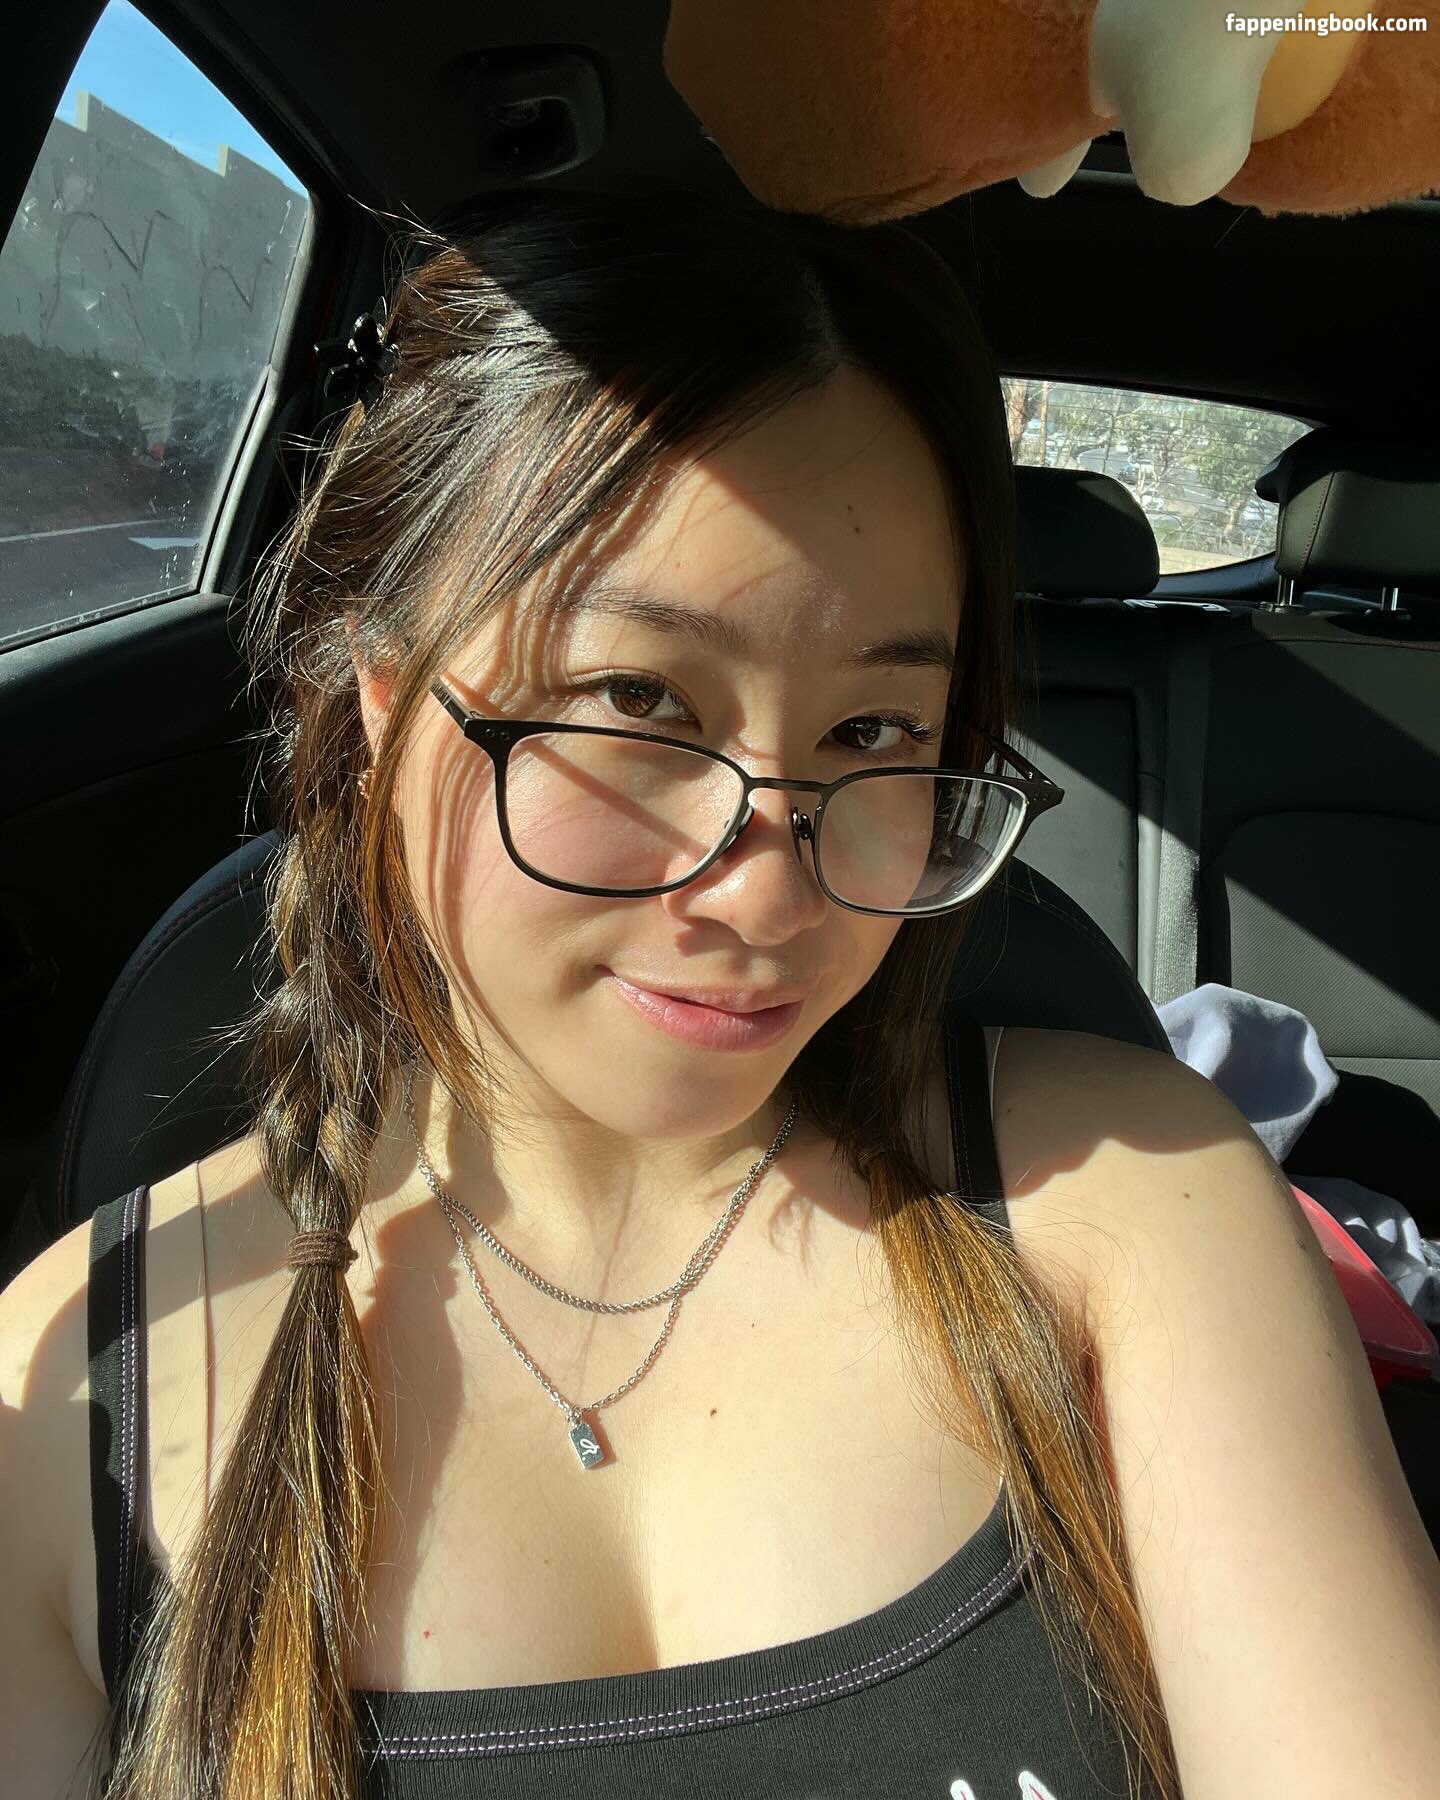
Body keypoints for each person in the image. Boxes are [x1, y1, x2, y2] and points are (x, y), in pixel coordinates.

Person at [2, 187, 1436, 1800]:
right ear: (384, 708)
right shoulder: (71, 1392)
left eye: (876, 734)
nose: (767, 895)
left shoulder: (1133, 1204)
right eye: (635, 698)